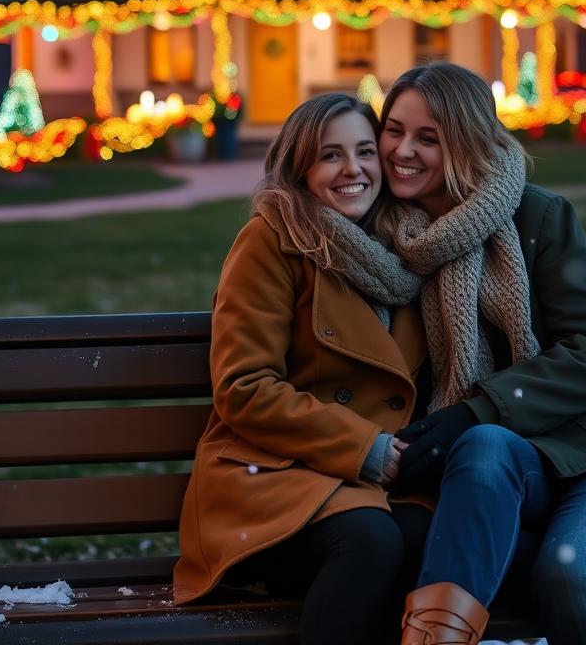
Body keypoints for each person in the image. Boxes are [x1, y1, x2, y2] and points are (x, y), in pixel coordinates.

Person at [373, 62, 586, 645]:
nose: (401, 151)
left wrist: (478, 408)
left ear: (465, 142)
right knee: (485, 451)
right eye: (393, 130)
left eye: (428, 138)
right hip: (494, 473)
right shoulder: (381, 241)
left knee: (568, 570)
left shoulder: (536, 216)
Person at [172, 92, 430, 645]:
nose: (353, 170)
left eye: (365, 151)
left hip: (365, 483)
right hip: (274, 476)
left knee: (434, 537)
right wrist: (365, 448)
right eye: (330, 156)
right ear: (299, 167)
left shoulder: (406, 247)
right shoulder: (272, 239)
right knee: (371, 542)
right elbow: (244, 387)